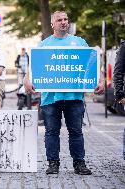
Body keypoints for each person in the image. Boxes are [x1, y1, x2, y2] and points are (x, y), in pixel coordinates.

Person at [23, 11, 104, 175]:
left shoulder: (80, 42)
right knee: (52, 132)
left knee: (76, 132)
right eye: (59, 20)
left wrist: (100, 79)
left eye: (66, 19)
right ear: (52, 24)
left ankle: (79, 164)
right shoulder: (44, 45)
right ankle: (53, 164)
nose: (63, 22)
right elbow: (34, 67)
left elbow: (92, 64)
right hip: (50, 98)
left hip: (74, 97)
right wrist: (26, 79)